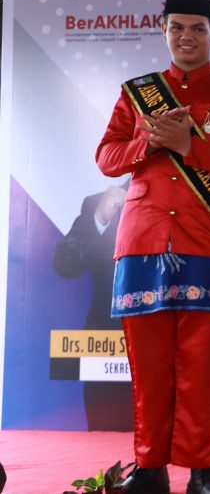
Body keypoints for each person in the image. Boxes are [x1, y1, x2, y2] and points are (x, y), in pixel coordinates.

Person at [95, 0, 210, 494]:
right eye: (176, 28)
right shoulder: (138, 92)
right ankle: (149, 469)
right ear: (164, 31)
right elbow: (106, 157)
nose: (186, 37)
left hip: (208, 239)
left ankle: (203, 470)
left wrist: (190, 145)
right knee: (147, 365)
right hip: (143, 238)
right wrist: (147, 140)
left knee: (204, 364)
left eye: (196, 29)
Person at [52, 180, 134, 432]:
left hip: (167, 343)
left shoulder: (184, 198)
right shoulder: (98, 203)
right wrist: (101, 217)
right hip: (109, 346)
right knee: (106, 443)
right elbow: (65, 263)